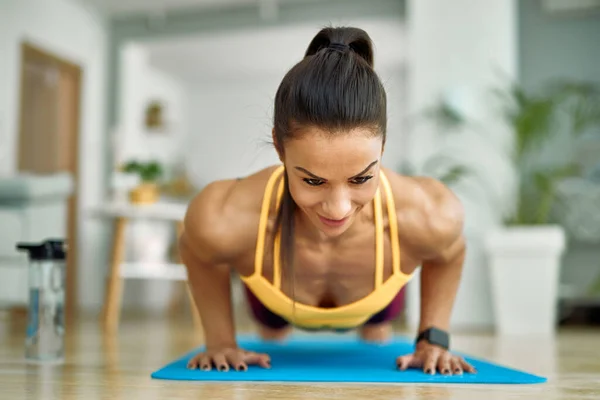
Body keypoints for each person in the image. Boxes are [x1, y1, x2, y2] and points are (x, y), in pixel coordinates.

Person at [179, 26, 476, 376]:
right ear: (279, 147)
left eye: (361, 179)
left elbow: (450, 252)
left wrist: (433, 339)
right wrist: (220, 341)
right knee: (272, 337)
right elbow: (196, 249)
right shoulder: (224, 215)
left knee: (377, 334)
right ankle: (275, 329)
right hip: (274, 303)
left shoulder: (428, 212)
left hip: (377, 303)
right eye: (313, 180)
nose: (339, 208)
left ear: (381, 147)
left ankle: (374, 326)